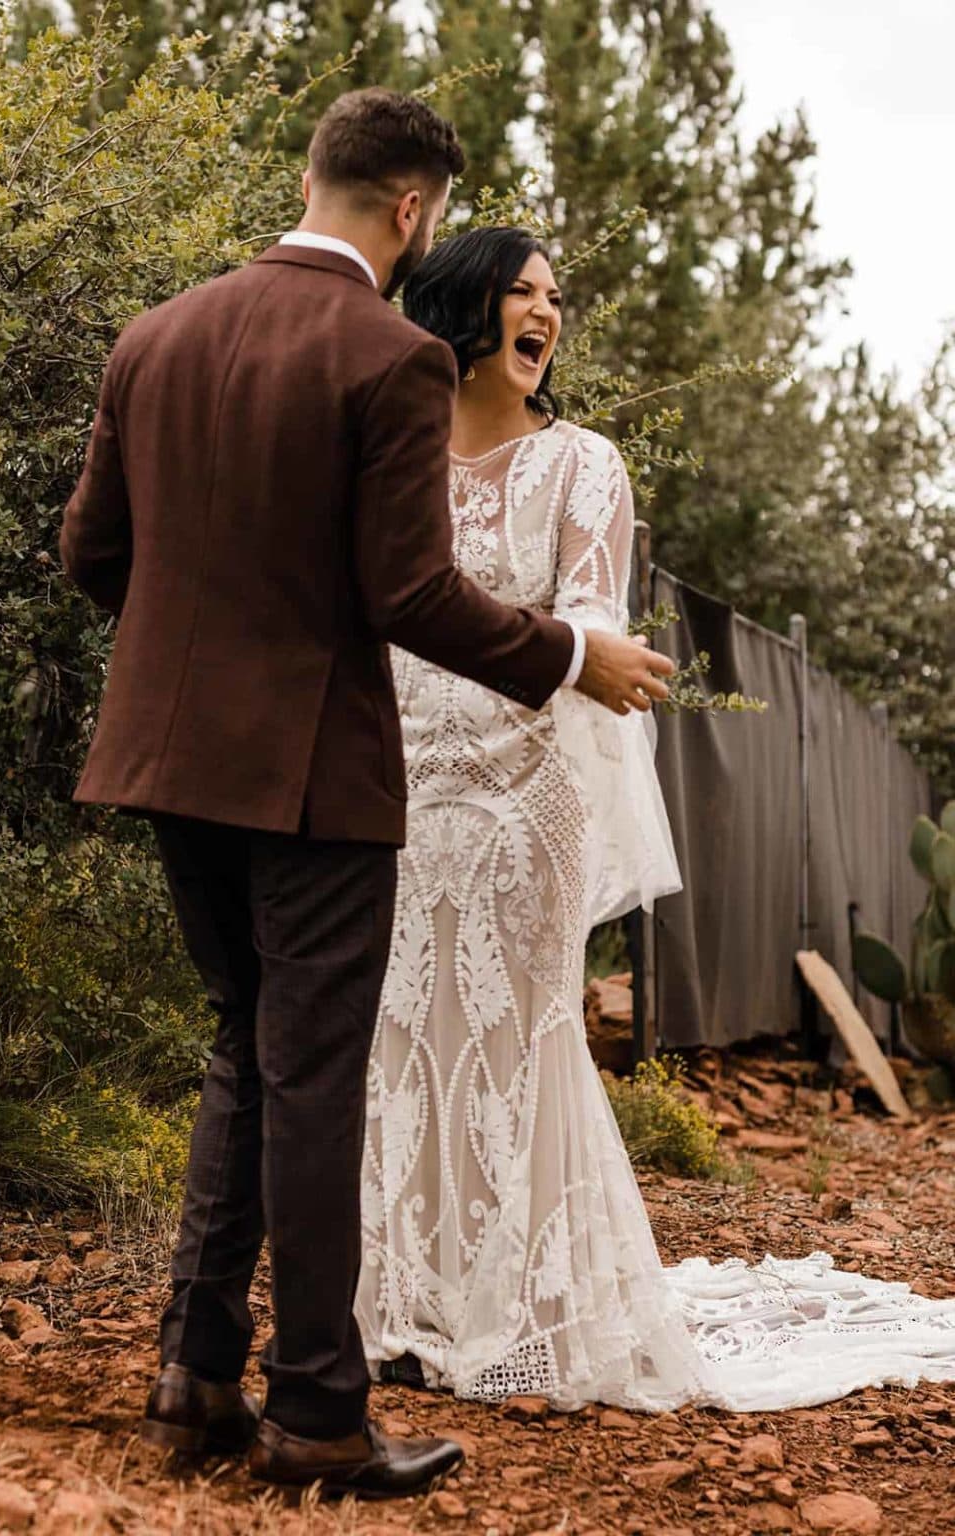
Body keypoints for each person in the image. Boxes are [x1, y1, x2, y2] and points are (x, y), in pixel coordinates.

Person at [60, 94, 674, 1497]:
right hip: (319, 776)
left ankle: (196, 1368)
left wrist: (194, 663)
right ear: (414, 210)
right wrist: (575, 651)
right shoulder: (389, 356)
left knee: (243, 1044)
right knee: (317, 1075)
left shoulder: (154, 336)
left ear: (308, 175)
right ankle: (321, 1414)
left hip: (166, 758)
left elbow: (96, 553)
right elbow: (406, 594)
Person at [357, 225, 955, 1413]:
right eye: (520, 291)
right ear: (460, 306)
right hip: (394, 794)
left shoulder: (584, 463)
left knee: (513, 1041)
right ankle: (396, 1303)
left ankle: (516, 1321)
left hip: (523, 796)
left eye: (555, 298)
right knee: (393, 1043)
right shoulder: (390, 455)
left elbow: (594, 633)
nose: (545, 313)